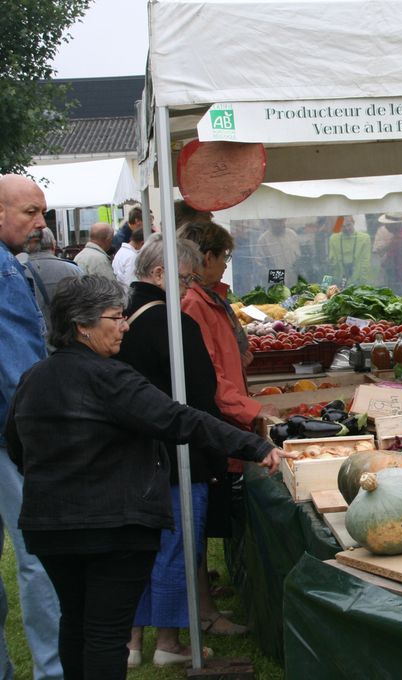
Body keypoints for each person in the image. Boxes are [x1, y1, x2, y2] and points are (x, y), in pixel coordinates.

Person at [6, 275, 293, 680]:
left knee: (76, 621)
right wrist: (255, 446)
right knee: (106, 631)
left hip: (51, 527)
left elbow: (17, 447)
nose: (125, 325)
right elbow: (181, 419)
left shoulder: (34, 378)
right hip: (114, 527)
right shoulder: (110, 379)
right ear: (81, 326)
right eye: (116, 317)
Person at [117, 236, 225, 667]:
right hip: (177, 454)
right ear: (160, 275)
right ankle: (169, 643)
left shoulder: (123, 317)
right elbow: (201, 396)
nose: (191, 287)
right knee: (177, 547)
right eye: (186, 278)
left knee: (141, 550)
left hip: (134, 454)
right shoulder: (174, 324)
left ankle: (130, 644)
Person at [178, 220, 275, 633]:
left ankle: (203, 601)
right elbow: (212, 379)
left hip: (228, 417)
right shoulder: (193, 305)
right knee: (198, 524)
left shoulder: (211, 299)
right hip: (216, 424)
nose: (224, 265)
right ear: (206, 257)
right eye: (224, 257)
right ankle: (202, 613)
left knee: (205, 522)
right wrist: (252, 412)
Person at [0, 175, 63, 680]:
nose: (41, 224)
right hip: (11, 438)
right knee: (38, 556)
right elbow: (19, 371)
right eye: (30, 212)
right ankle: (53, 671)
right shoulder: (3, 272)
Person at [20, 226, 83, 331]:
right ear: (53, 245)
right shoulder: (74, 270)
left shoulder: (19, 272)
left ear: (27, 247)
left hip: (36, 337)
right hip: (69, 336)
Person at [255, 218, 301, 286]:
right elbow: (260, 267)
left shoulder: (292, 235)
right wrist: (279, 281)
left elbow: (299, 259)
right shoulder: (264, 240)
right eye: (276, 222)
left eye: (281, 221)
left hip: (294, 282)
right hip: (275, 288)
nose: (279, 224)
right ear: (270, 221)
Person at [327, 215, 371, 286]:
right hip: (339, 280)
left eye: (348, 225)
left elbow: (365, 261)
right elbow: (332, 262)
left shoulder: (365, 238)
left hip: (358, 279)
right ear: (339, 226)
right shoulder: (333, 239)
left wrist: (363, 282)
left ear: (353, 222)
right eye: (343, 226)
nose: (346, 228)